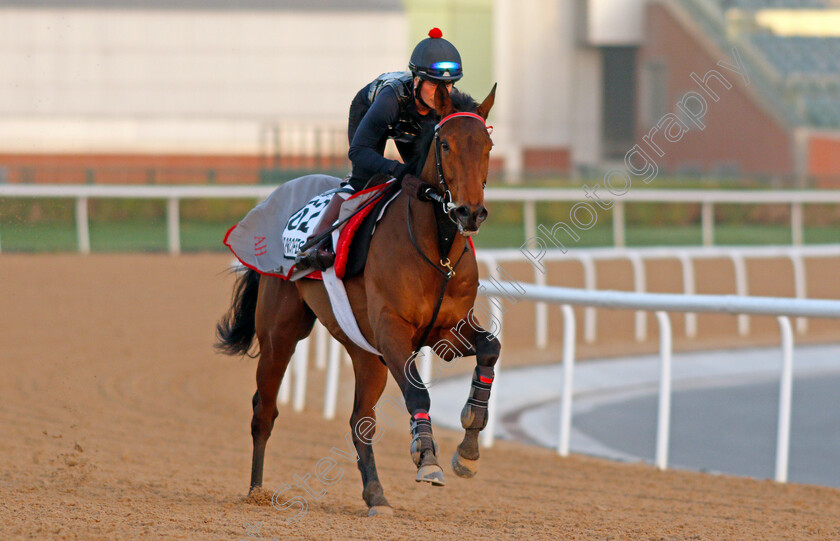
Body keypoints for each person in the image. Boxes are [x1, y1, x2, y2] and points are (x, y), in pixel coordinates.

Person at [293, 27, 463, 272]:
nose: (443, 94)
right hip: (370, 109)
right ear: (416, 81)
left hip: (412, 124)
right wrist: (396, 170)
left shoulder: (449, 101)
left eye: (449, 85)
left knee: (426, 177)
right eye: (435, 84)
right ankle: (316, 242)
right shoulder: (390, 101)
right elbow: (358, 151)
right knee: (364, 179)